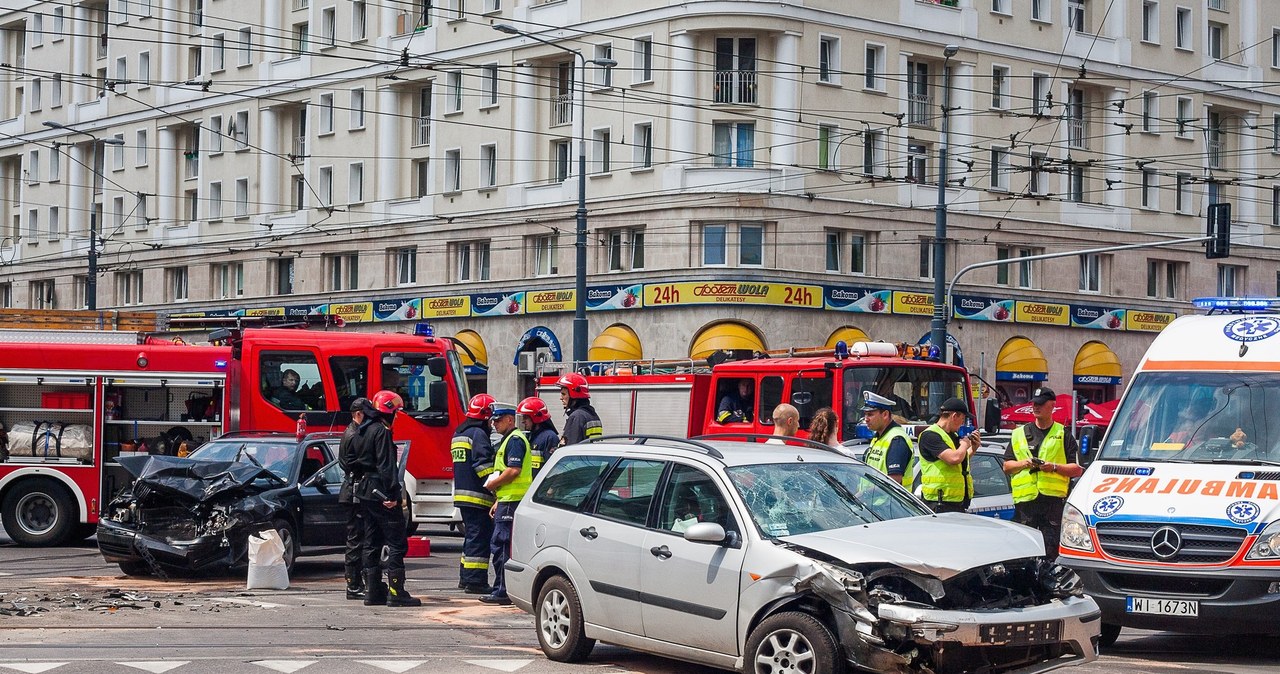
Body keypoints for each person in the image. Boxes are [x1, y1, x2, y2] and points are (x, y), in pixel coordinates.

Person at [350, 390, 420, 607]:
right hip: (381, 492)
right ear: (389, 411)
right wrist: (392, 495)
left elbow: (351, 461)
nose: (397, 416)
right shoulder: (381, 431)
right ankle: (396, 591)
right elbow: (386, 466)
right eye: (396, 412)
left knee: (371, 541)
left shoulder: (361, 430)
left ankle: (372, 591)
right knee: (397, 542)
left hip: (365, 492)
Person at [1003, 387, 1084, 555]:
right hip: (1025, 504)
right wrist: (1025, 463)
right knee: (1024, 550)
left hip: (1051, 504)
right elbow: (1007, 466)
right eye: (1034, 404)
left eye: (1040, 404)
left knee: (1050, 550)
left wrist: (1053, 467)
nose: (1035, 407)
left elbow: (1076, 469)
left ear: (1052, 405)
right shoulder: (1019, 433)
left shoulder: (1063, 434)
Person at [481, 406, 532, 606]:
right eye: (493, 421)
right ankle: (503, 589)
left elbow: (513, 470)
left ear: (510, 420)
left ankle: (502, 591)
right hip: (507, 500)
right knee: (503, 545)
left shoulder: (515, 440)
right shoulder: (510, 439)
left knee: (502, 545)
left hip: (512, 500)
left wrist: (493, 484)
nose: (494, 424)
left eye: (498, 420)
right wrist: (498, 500)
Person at [452, 393, 497, 595]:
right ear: (485, 417)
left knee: (471, 537)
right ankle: (475, 581)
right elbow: (483, 466)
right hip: (478, 496)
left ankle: (465, 577)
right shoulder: (478, 435)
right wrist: (495, 486)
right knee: (479, 539)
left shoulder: (459, 433)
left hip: (463, 494)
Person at [916, 397, 980, 513]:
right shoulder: (930, 435)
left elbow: (959, 461)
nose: (962, 423)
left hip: (956, 502)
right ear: (954, 416)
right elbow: (953, 458)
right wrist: (965, 444)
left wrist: (973, 449)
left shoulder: (952, 435)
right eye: (963, 418)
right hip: (939, 503)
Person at [338, 396, 369, 600]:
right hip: (354, 493)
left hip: (352, 491)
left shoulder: (352, 431)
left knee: (358, 538)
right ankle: (353, 585)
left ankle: (357, 582)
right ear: (358, 414)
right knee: (356, 539)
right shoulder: (353, 434)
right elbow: (353, 464)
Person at [860, 392, 916, 489]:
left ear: (885, 414)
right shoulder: (878, 437)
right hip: (872, 502)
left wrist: (864, 495)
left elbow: (894, 480)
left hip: (890, 503)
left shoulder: (896, 440)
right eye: (865, 414)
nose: (866, 419)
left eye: (870, 414)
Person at [557, 373, 603, 446]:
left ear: (573, 394)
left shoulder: (577, 417)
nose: (561, 398)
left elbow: (570, 449)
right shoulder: (593, 415)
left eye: (563, 394)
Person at [517, 396, 558, 475]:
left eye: (525, 417)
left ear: (535, 417)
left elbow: (552, 470)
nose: (523, 421)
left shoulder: (549, 437)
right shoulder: (531, 436)